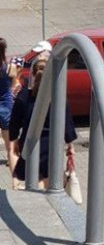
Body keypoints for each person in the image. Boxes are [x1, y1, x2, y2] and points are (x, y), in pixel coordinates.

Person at [10, 59, 77, 189]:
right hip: (52, 145)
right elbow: (67, 125)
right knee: (48, 180)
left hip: (28, 144)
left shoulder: (23, 96)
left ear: (32, 75)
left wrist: (14, 177)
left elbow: (13, 130)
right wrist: (70, 145)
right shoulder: (58, 97)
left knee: (32, 178)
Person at [0, 38, 19, 171]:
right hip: (6, 103)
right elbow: (14, 85)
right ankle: (10, 156)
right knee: (7, 132)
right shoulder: (10, 67)